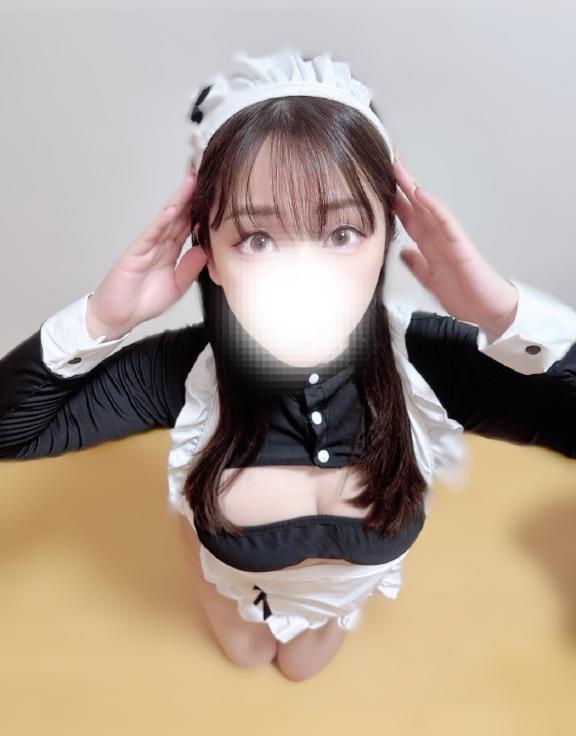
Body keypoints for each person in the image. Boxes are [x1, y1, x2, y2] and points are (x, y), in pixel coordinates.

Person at [1, 47, 575, 683]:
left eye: (341, 233)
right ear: (210, 255)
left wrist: (505, 314)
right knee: (244, 651)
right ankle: (197, 538)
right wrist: (102, 320)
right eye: (258, 239)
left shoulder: (426, 362)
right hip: (234, 576)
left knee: (301, 666)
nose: (305, 278)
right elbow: (10, 432)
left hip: (341, 596)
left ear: (387, 235)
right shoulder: (190, 371)